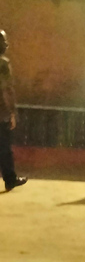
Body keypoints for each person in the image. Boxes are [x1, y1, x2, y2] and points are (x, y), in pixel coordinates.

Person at [0, 30, 27, 191]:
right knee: (4, 148)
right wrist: (11, 112)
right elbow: (6, 90)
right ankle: (10, 179)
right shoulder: (3, 64)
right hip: (1, 113)